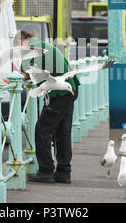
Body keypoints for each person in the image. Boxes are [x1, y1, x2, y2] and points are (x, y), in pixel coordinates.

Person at [15, 30, 80, 184]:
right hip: (71, 89)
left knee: (42, 130)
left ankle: (46, 171)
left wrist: (4, 79)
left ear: (21, 41)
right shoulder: (43, 45)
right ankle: (64, 172)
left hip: (59, 94)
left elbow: (23, 74)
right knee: (63, 132)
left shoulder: (29, 49)